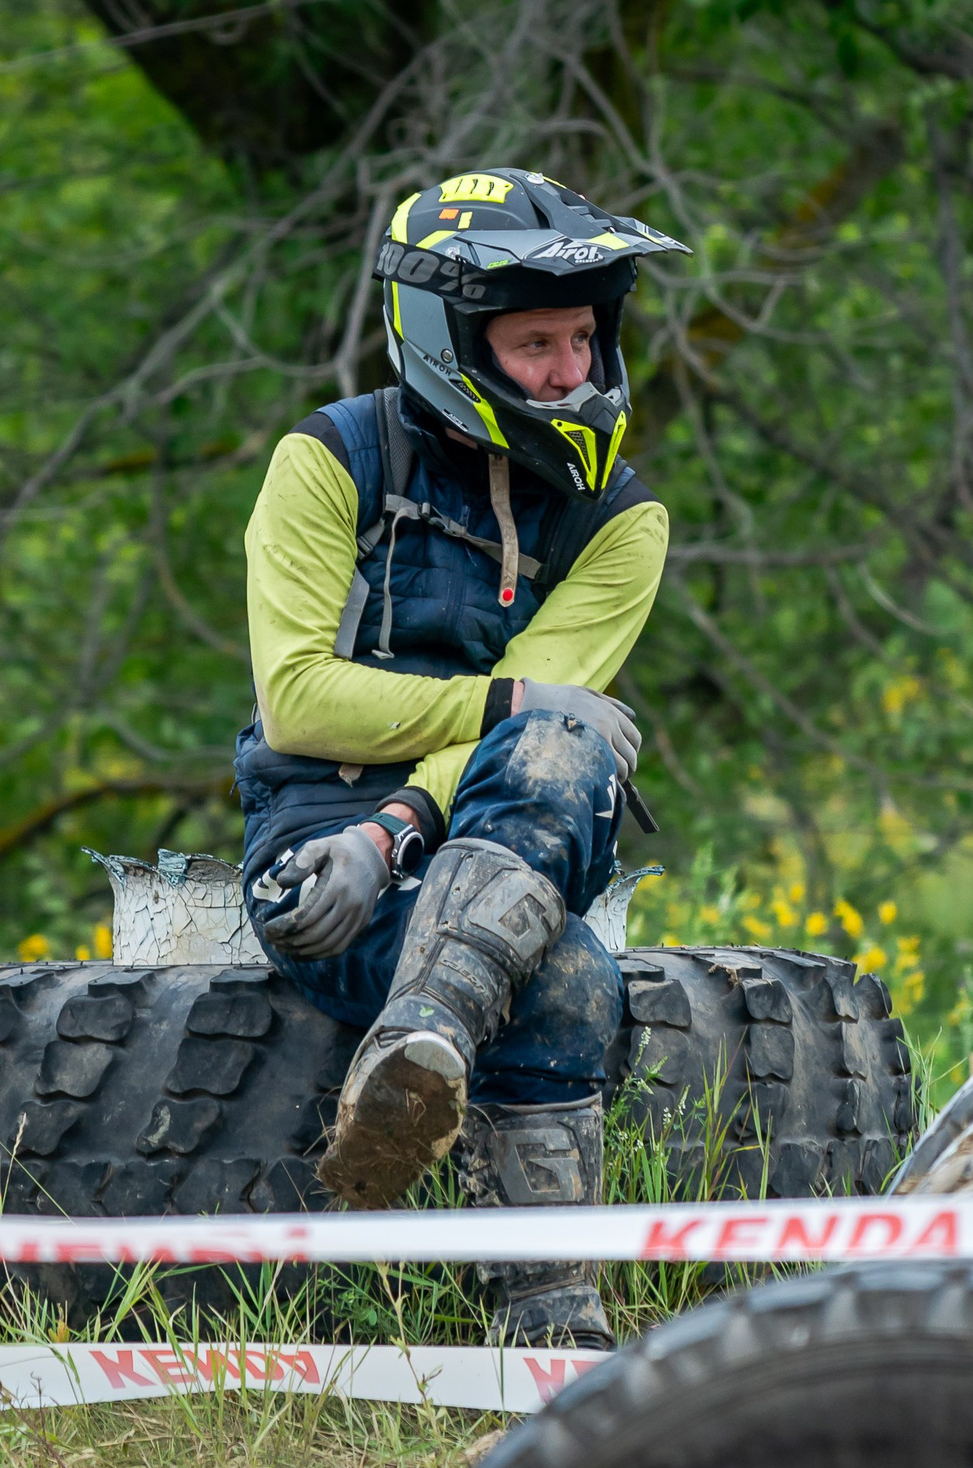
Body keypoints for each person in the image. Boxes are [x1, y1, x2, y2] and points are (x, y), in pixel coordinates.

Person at [234, 169, 685, 1349]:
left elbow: (541, 730)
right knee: (569, 975)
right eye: (536, 342)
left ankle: (422, 1035)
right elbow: (297, 704)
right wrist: (495, 711)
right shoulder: (329, 459)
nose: (570, 372)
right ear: (447, 338)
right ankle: (551, 1319)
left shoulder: (624, 520)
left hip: (447, 839)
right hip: (314, 853)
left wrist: (402, 825)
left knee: (571, 733)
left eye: (583, 336)